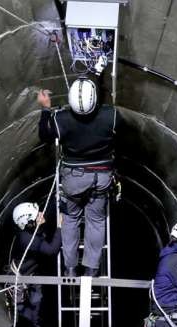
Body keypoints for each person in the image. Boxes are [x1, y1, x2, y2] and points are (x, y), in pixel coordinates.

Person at [37, 77, 119, 277]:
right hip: (101, 177)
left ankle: (71, 268)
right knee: (96, 220)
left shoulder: (61, 119)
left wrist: (46, 109)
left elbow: (44, 135)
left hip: (74, 179)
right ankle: (91, 269)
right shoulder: (111, 115)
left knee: (71, 218)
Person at [0, 202, 61, 327]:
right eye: (36, 213)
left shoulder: (30, 233)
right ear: (29, 221)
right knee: (28, 322)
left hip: (30, 283)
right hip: (20, 285)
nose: (41, 213)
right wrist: (61, 227)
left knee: (29, 321)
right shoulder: (26, 238)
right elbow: (51, 250)